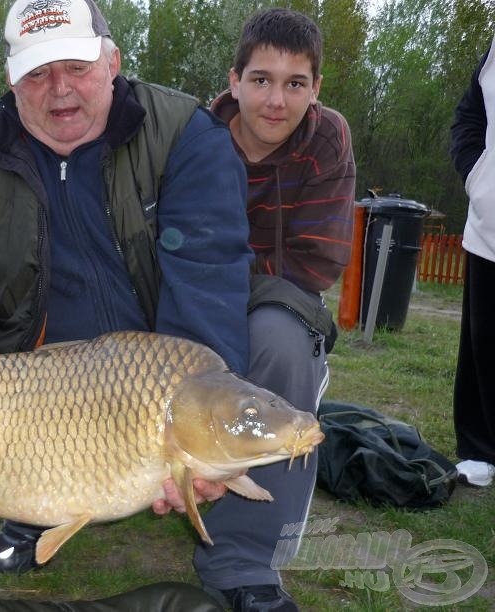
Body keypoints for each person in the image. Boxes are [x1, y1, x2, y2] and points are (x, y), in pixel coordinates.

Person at [0, 0, 251, 580]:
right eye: (37, 72)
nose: (59, 88)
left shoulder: (187, 137)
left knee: (281, 336)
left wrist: (196, 439)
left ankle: (243, 558)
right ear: (12, 83)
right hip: (29, 381)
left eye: (77, 66)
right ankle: (29, 502)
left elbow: (208, 282)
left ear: (112, 62)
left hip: (149, 365)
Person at [197, 8, 356, 611]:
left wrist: (234, 287)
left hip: (278, 300)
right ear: (233, 80)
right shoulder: (195, 137)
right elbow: (176, 246)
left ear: (315, 89)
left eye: (295, 84)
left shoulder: (328, 137)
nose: (275, 101)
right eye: (261, 80)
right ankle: (53, 500)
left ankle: (242, 560)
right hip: (191, 292)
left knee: (278, 342)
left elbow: (317, 264)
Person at [449, 38, 495, 488]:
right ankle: (479, 449)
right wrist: (478, 177)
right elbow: (469, 118)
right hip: (490, 226)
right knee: (483, 339)